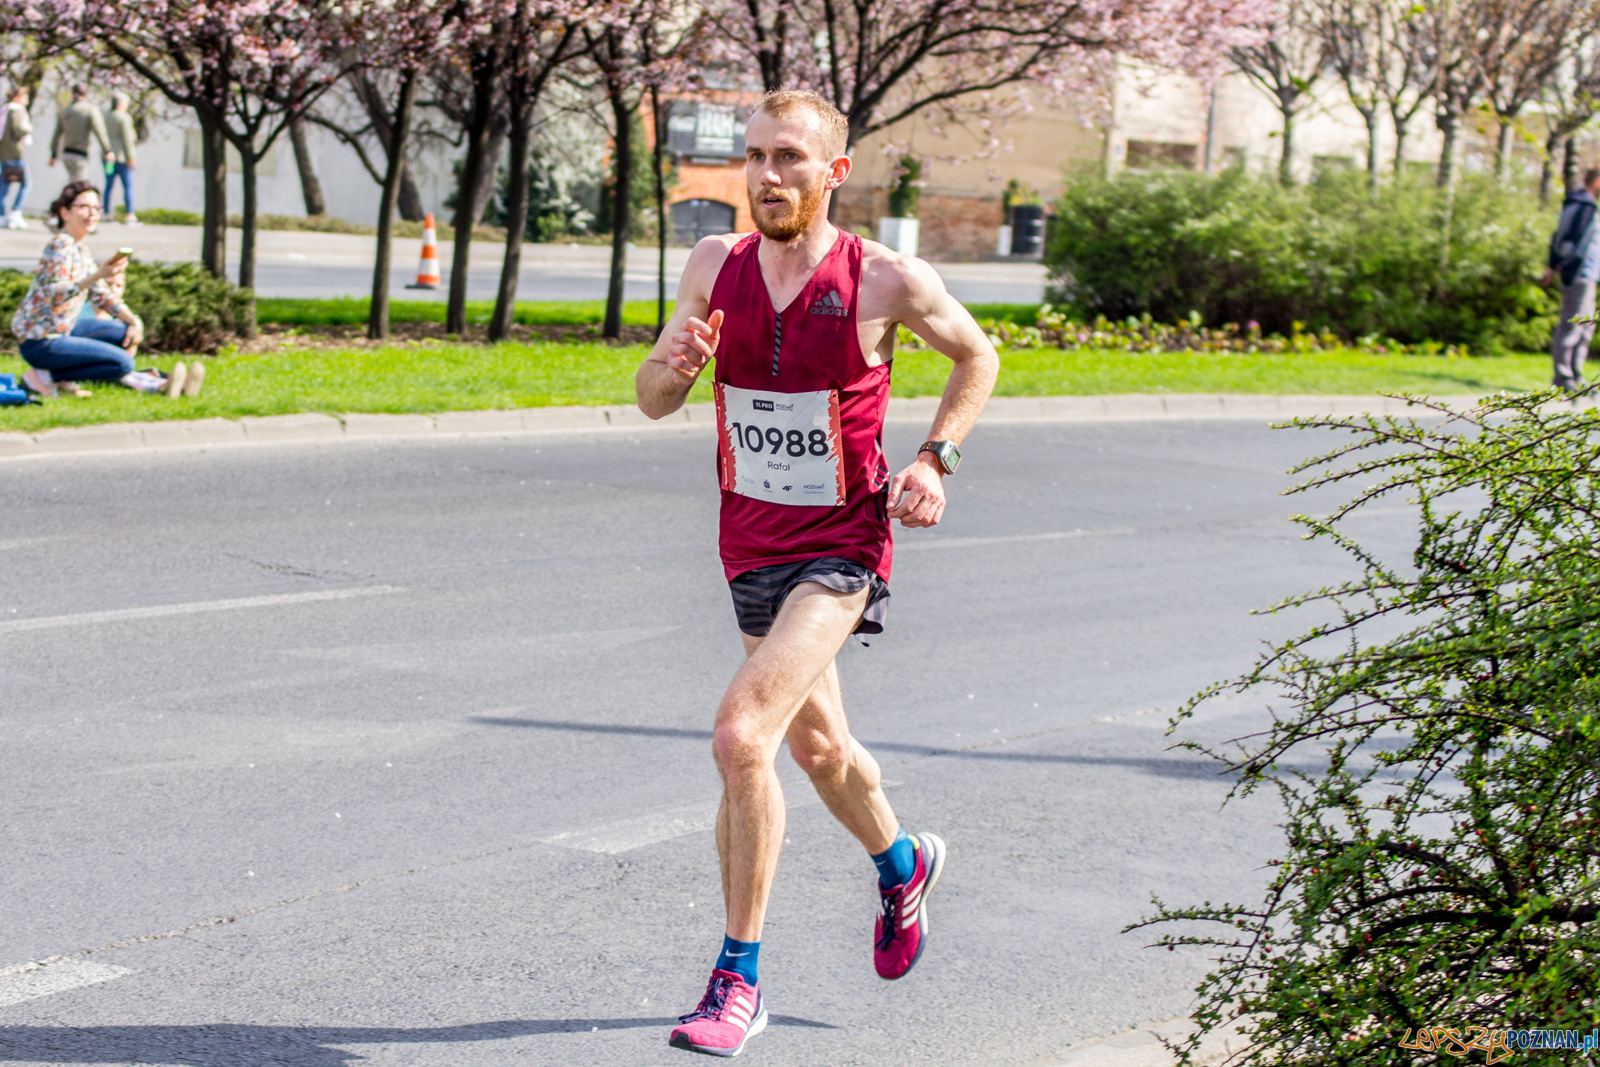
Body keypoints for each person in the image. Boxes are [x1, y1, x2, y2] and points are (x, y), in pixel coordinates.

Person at [635, 89, 998, 1059]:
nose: (766, 176)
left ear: (832, 174)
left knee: (741, 734)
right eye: (754, 156)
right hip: (746, 544)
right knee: (822, 751)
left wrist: (933, 460)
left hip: (841, 549)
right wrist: (674, 365)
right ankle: (903, 857)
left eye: (789, 157)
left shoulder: (885, 280)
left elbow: (978, 356)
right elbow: (653, 400)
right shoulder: (714, 264)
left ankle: (737, 978)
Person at [12, 180, 200, 400]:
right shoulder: (60, 245)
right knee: (122, 363)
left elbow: (102, 294)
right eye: (84, 207)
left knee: (123, 334)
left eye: (96, 208)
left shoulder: (80, 249)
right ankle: (43, 376)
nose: (91, 213)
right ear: (64, 212)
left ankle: (159, 381)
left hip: (63, 329)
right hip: (40, 340)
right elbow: (57, 293)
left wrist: (133, 320)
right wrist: (98, 274)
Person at [1543, 166, 1600, 394]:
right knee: (1573, 324)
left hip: (1589, 275)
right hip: (1578, 274)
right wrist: (1557, 264)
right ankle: (1562, 378)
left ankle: (1576, 376)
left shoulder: (1588, 206)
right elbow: (1562, 238)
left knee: (1586, 326)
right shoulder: (1582, 206)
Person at [49, 83, 113, 184]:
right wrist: (107, 150)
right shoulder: (90, 110)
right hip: (80, 154)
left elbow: (57, 134)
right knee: (79, 185)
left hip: (66, 154)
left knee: (73, 182)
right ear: (86, 95)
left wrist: (53, 154)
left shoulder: (65, 111)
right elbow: (100, 132)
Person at [0, 84, 33, 229]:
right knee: (26, 183)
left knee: (4, 184)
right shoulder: (17, 111)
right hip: (15, 153)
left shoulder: (4, 109)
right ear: (17, 97)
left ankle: (2, 214)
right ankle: (16, 211)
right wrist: (28, 129)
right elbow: (19, 130)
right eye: (25, 97)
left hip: (4, 153)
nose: (26, 100)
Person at [103, 91, 138, 224]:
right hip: (122, 158)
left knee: (108, 186)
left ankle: (106, 213)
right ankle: (129, 213)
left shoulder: (105, 116)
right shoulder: (124, 117)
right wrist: (131, 156)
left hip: (107, 157)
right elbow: (128, 139)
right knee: (127, 186)